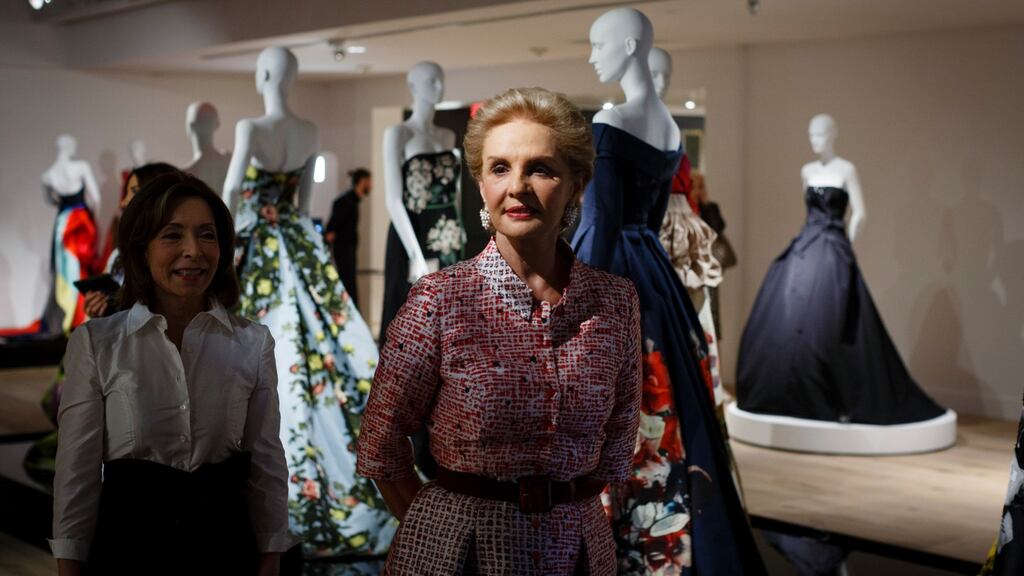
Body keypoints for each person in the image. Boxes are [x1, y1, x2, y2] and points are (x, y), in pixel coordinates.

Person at [357, 87, 642, 575]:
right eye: (500, 168)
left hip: (577, 555)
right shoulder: (441, 300)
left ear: (577, 184)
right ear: (482, 185)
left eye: (541, 168)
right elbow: (381, 444)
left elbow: (618, 447)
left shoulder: (615, 302)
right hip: (458, 555)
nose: (518, 187)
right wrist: (433, 522)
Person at [50, 173, 293, 575]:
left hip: (225, 548)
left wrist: (270, 556)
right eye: (172, 235)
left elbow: (266, 460)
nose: (193, 251)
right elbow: (76, 473)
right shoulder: (98, 343)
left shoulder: (253, 343)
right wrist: (69, 566)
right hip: (129, 549)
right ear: (142, 248)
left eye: (207, 235)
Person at [25, 163, 180, 487]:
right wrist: (102, 308)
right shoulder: (122, 254)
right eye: (127, 194)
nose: (123, 202)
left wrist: (117, 307)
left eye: (133, 192)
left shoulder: (169, 255)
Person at [325, 167, 371, 308]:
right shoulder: (344, 202)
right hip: (343, 253)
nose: (371, 185)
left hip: (349, 252)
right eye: (370, 181)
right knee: (347, 285)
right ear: (362, 181)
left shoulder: (353, 202)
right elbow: (330, 232)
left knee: (350, 285)